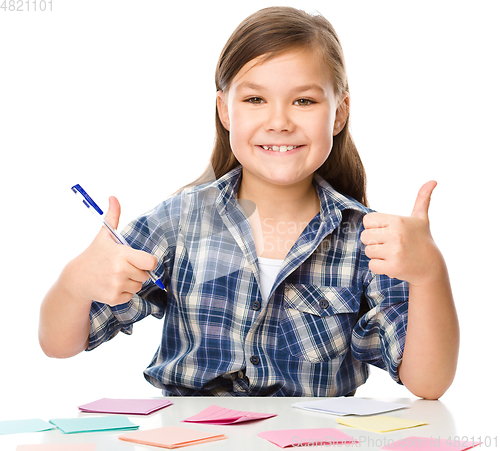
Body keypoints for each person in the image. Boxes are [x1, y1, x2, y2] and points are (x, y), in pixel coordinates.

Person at [39, 6, 459, 398]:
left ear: (339, 112)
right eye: (255, 99)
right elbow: (59, 344)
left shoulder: (368, 241)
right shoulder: (177, 223)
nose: (279, 121)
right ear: (225, 110)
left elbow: (428, 383)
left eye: (305, 101)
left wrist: (429, 274)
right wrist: (76, 282)